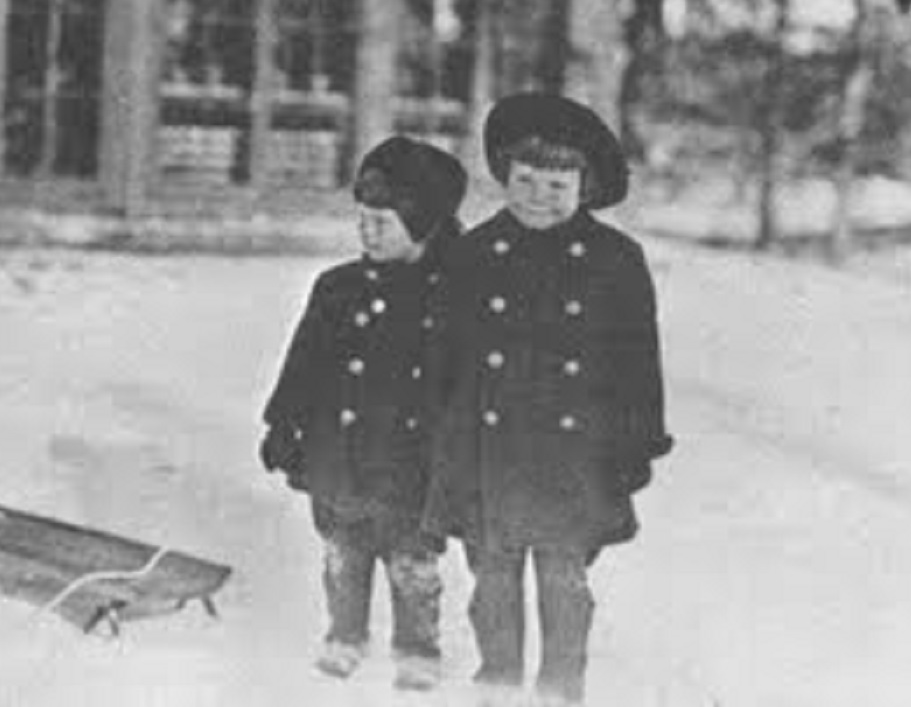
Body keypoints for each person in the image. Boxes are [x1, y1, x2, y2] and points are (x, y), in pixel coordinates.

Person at [423, 92, 674, 706]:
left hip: (575, 454)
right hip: (487, 450)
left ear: (585, 187)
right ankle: (498, 683)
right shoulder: (472, 253)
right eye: (524, 180)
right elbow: (442, 361)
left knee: (564, 577)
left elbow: (637, 363)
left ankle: (562, 689)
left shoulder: (617, 260)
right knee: (493, 575)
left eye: (556, 184)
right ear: (505, 177)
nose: (538, 195)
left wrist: (635, 446)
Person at [260, 135, 467, 692]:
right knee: (342, 554)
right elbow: (303, 362)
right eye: (363, 218)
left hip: (413, 466)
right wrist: (283, 423)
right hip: (339, 454)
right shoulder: (337, 289)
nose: (366, 231)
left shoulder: (451, 297)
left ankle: (417, 647)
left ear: (423, 226)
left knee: (411, 564)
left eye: (384, 221)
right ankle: (345, 633)